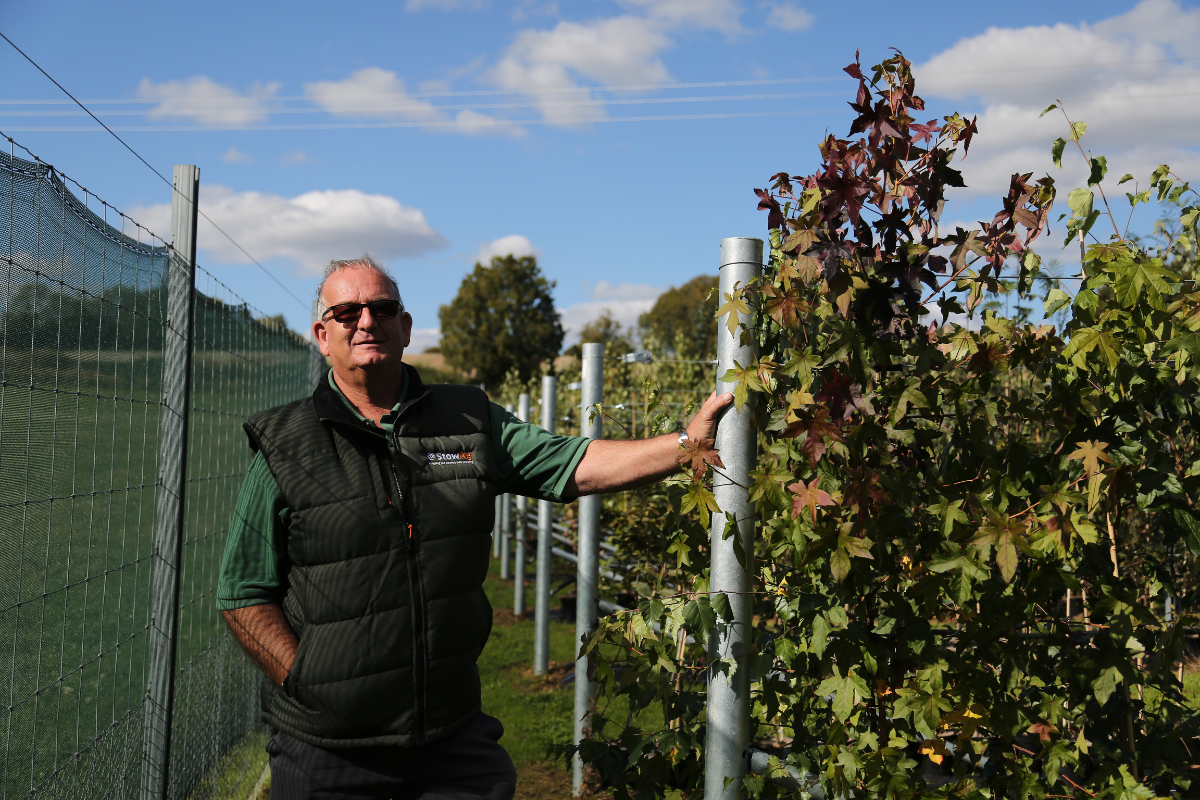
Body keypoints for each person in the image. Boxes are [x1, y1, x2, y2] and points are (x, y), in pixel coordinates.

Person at [217, 254, 732, 800]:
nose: (366, 321)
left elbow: (571, 463)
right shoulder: (286, 444)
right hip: (328, 753)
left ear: (405, 326)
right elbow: (241, 593)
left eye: (382, 308)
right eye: (347, 312)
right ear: (323, 335)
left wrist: (685, 446)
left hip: (451, 738)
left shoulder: (467, 420)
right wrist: (305, 681)